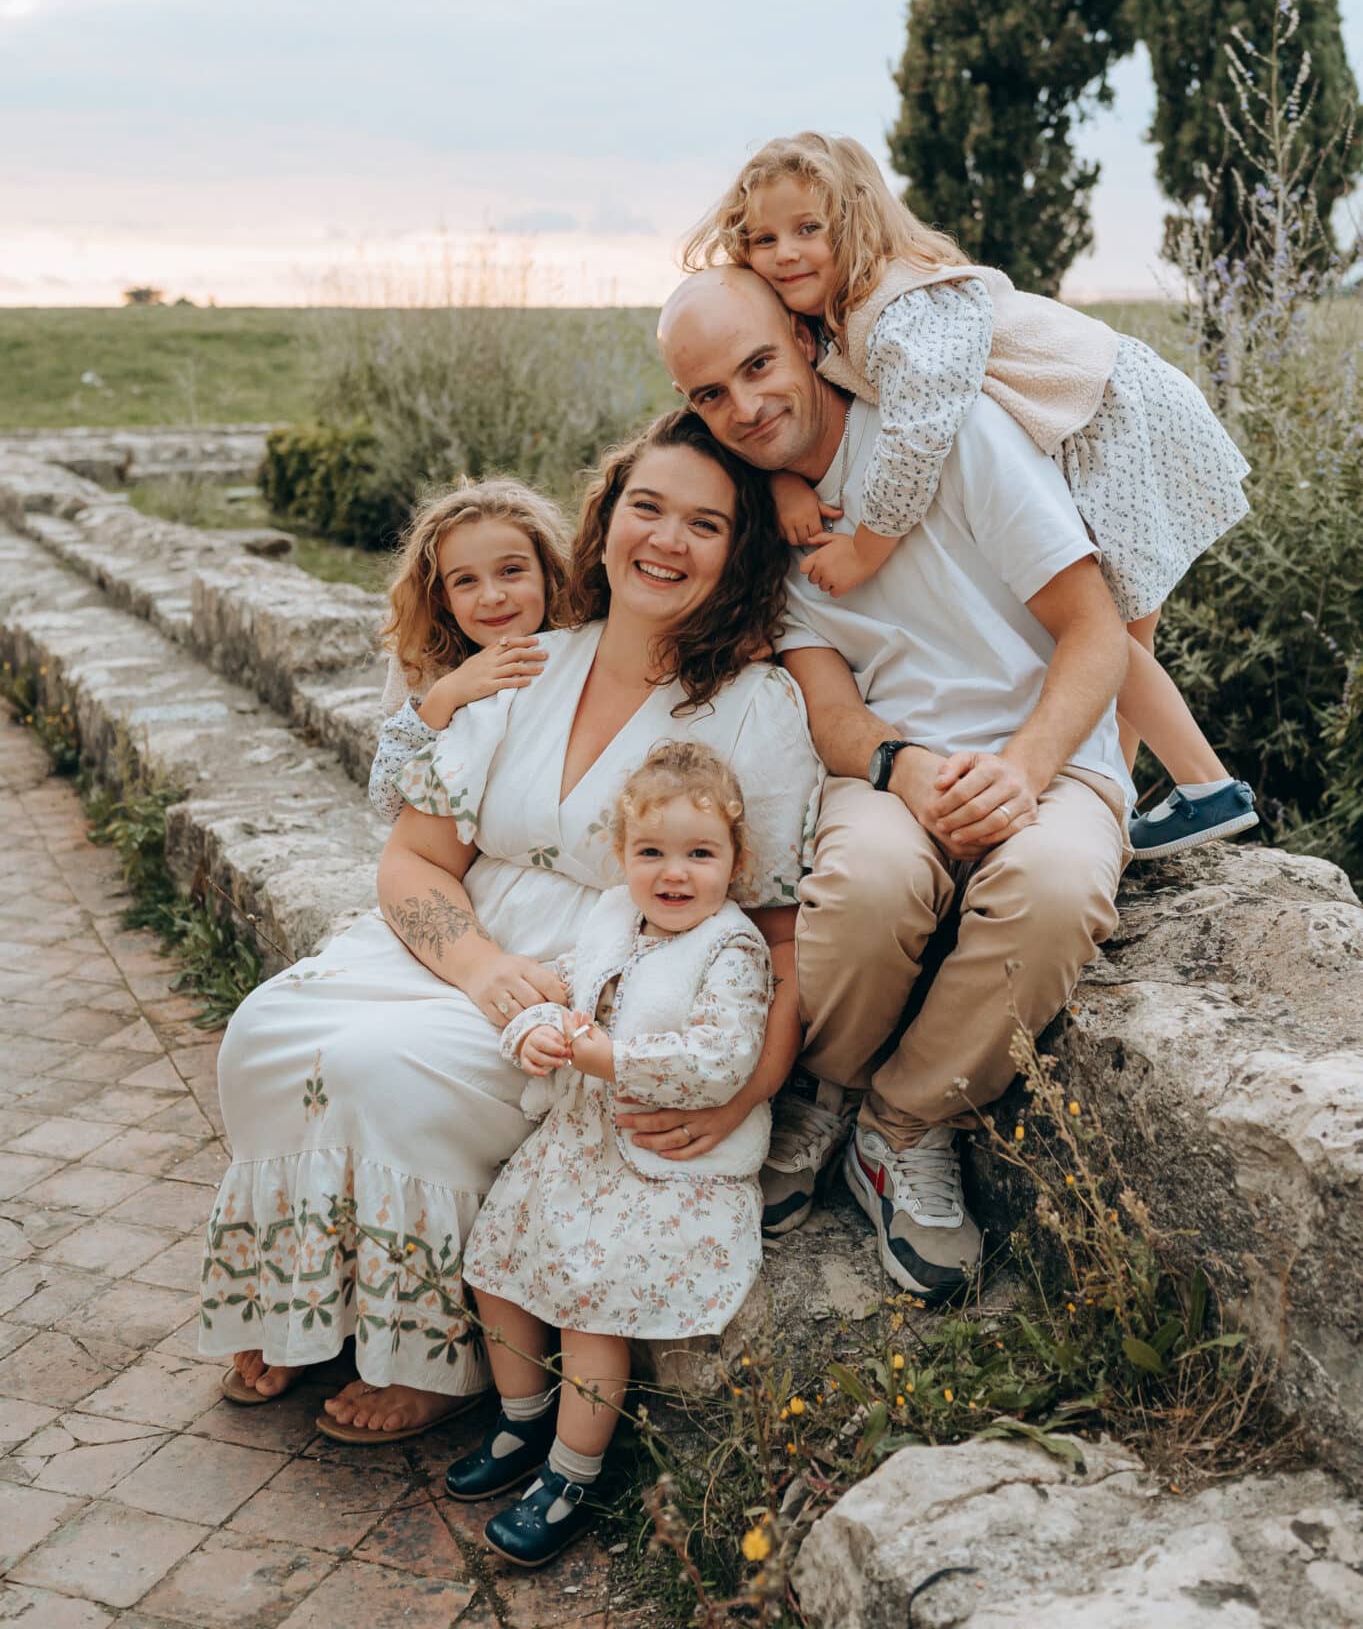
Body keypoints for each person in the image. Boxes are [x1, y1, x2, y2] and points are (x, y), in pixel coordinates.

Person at [199, 410, 820, 1440]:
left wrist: (746, 1086)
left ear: (737, 553)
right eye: (647, 506)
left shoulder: (754, 707)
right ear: (605, 518)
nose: (666, 539)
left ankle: (439, 1355)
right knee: (265, 1031)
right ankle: (299, 1301)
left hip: (595, 977)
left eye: (704, 524)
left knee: (380, 1066)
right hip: (458, 938)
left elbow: (781, 935)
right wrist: (478, 962)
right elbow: (413, 854)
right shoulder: (528, 662)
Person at [658, 268, 1131, 1298]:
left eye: (757, 366)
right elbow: (827, 710)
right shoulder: (761, 526)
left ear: (802, 334)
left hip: (1045, 747)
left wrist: (1025, 768)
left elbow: (1095, 633)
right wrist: (900, 766)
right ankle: (823, 1085)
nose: (743, 408)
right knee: (865, 880)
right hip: (887, 762)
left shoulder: (946, 436)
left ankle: (899, 1124)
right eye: (709, 394)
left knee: (1050, 889)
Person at [682, 132, 1257, 859]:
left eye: (807, 229)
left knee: (1099, 625)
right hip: (1085, 417)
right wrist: (780, 479)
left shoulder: (893, 308)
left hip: (1107, 420)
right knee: (1107, 627)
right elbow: (805, 421)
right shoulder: (841, 317)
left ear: (856, 220)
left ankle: (1200, 789)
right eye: (762, 239)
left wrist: (867, 547)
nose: (785, 252)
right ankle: (1138, 796)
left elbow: (917, 432)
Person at [450, 741, 770, 1568]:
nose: (674, 874)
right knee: (494, 1264)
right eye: (650, 852)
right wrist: (532, 1032)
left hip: (661, 1166)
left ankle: (570, 1473)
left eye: (700, 854)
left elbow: (720, 1061)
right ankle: (522, 1419)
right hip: (575, 1148)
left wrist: (608, 1058)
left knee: (588, 1306)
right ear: (621, 856)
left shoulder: (730, 951)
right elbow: (561, 985)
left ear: (734, 864)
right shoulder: (607, 917)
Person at [368, 477, 571, 821]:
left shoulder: (580, 654)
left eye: (511, 571)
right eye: (466, 580)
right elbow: (388, 801)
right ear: (442, 597)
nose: (492, 596)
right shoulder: (428, 666)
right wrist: (446, 695)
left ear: (547, 572)